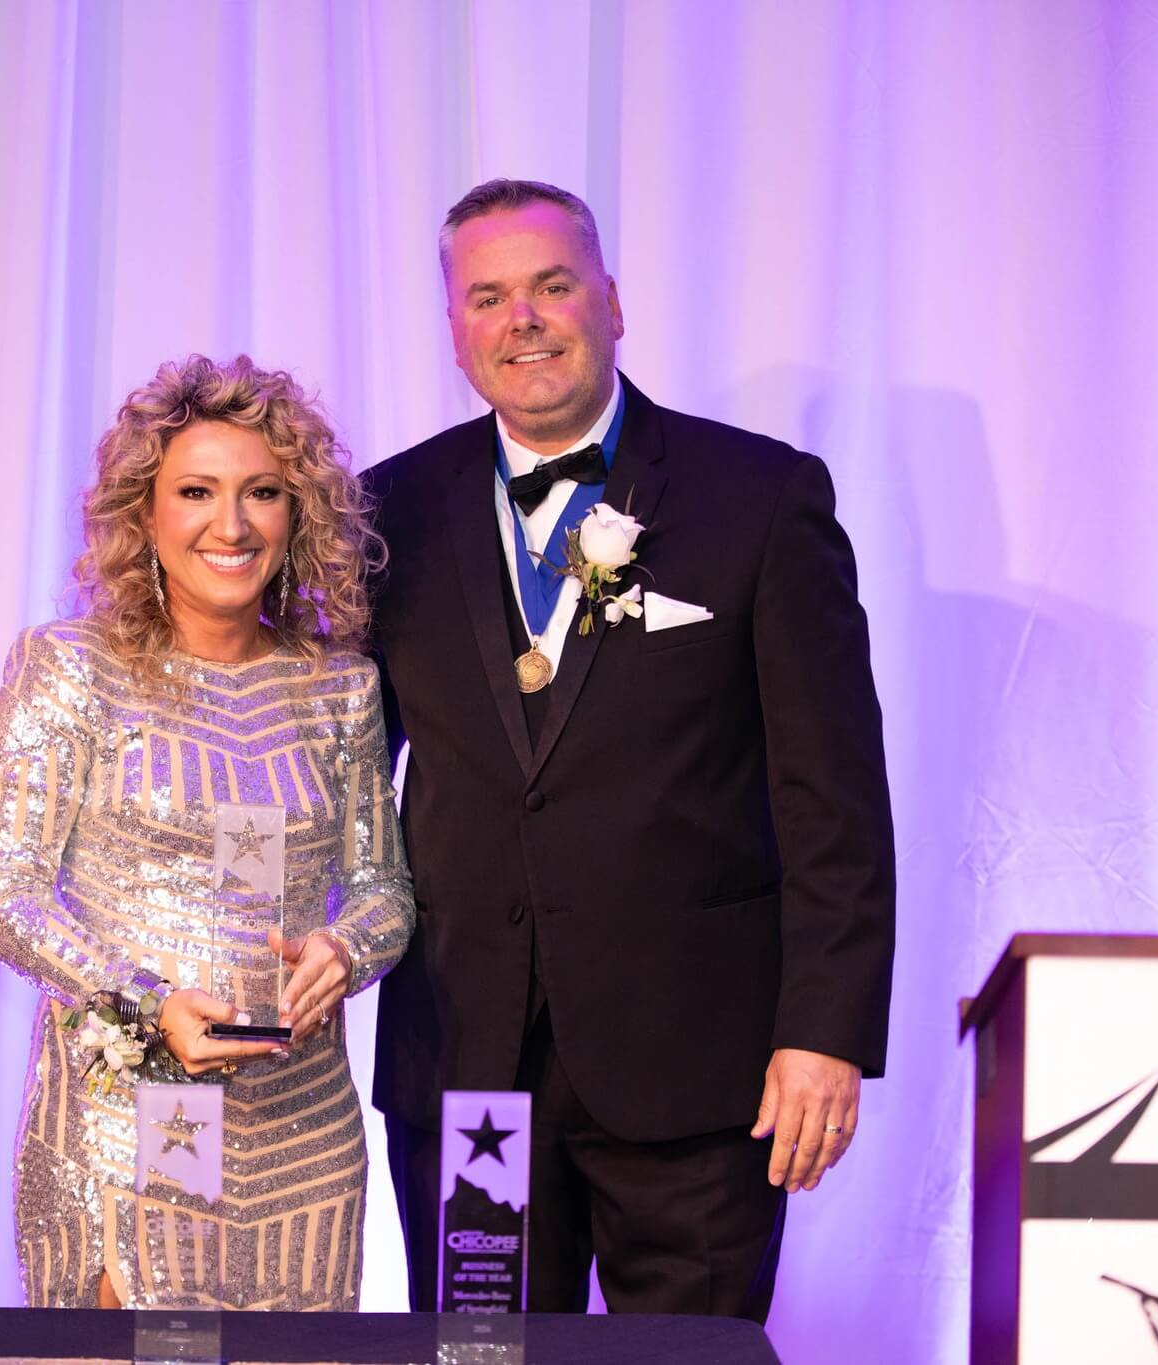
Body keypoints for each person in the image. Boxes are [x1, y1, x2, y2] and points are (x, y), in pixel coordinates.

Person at [363, 179, 895, 1318]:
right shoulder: (382, 514)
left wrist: (824, 1032)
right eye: (488, 297)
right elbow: (333, 771)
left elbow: (831, 794)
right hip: (464, 1069)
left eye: (552, 286)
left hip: (700, 1067)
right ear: (454, 330)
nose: (524, 320)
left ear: (611, 301)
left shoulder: (758, 498)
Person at [0, 354, 414, 1311]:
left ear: (299, 516)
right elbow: (2, 896)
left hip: (303, 1130)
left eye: (264, 493)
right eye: (197, 492)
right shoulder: (72, 668)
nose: (232, 523)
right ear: (146, 512)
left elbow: (386, 888)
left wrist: (346, 946)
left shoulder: (340, 685)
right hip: (143, 1109)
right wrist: (145, 998)